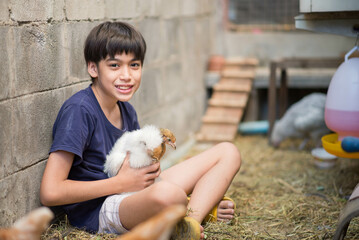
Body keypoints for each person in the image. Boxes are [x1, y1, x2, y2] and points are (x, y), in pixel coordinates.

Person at [40, 21, 241, 240]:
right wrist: (120, 183)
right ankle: (192, 208)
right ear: (93, 68)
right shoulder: (80, 111)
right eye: (115, 65)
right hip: (100, 208)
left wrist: (149, 170)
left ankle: (190, 223)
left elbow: (136, 174)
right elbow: (50, 192)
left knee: (228, 152)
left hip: (132, 191)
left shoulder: (126, 110)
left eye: (134, 65)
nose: (127, 75)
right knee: (170, 195)